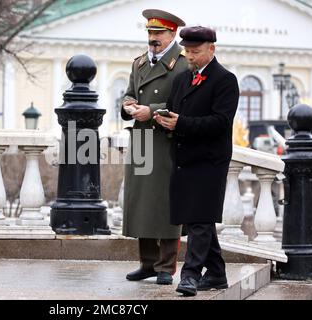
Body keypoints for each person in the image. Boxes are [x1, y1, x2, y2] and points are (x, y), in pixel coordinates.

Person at [154, 26, 239, 296]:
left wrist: (181, 122)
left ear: (211, 49)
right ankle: (216, 272)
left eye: (195, 52)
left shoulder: (226, 80)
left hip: (210, 160)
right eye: (187, 51)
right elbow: (174, 111)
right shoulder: (181, 79)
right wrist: (165, 121)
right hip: (184, 158)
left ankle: (190, 275)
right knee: (195, 218)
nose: (189, 56)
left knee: (201, 218)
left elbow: (221, 122)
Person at [121, 9, 188, 285]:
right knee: (141, 204)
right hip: (141, 140)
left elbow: (183, 104)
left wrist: (153, 111)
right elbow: (128, 93)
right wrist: (127, 106)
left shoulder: (183, 66)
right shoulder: (139, 64)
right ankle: (147, 263)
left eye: (158, 33)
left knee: (165, 204)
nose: (153, 38)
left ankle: (165, 266)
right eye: (150, 33)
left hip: (166, 141)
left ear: (172, 34)